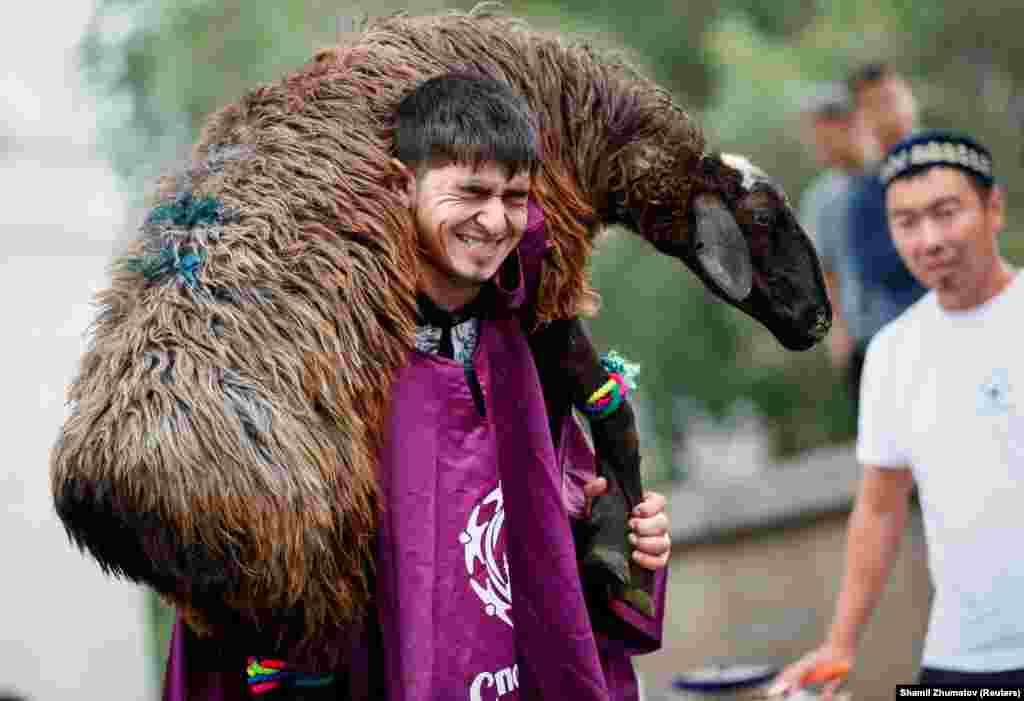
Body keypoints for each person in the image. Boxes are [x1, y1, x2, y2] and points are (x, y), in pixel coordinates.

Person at [163, 73, 672, 701]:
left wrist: (619, 538)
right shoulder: (325, 358)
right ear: (405, 185)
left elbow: (549, 568)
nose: (494, 220)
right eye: (471, 191)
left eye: (515, 197)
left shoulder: (523, 345)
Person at [771, 130, 1024, 697]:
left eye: (946, 213)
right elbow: (880, 509)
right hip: (960, 660)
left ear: (994, 208)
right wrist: (840, 643)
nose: (929, 239)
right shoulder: (890, 353)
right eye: (907, 222)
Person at [836, 63, 927, 404]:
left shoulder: (955, 163)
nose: (889, 112)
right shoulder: (864, 197)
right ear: (862, 119)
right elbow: (878, 270)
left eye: (892, 98)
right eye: (875, 105)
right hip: (915, 343)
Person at [797, 82, 877, 375]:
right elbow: (825, 272)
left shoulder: (892, 176)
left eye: (822, 136)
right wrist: (838, 333)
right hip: (863, 341)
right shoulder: (820, 199)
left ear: (850, 124)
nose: (818, 146)